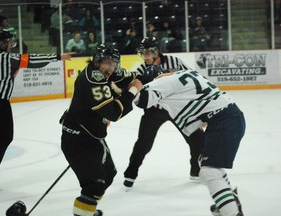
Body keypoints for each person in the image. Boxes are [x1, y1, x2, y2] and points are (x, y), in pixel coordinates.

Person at [133, 69, 246, 216]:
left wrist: (134, 88)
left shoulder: (163, 82)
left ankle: (232, 212)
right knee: (206, 164)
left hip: (223, 120)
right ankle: (230, 199)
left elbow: (143, 101)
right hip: (227, 115)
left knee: (208, 172)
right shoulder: (186, 73)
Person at [59, 44, 142, 216]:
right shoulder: (93, 78)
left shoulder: (106, 72)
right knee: (95, 184)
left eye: (113, 63)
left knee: (108, 175)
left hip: (91, 136)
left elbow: (128, 75)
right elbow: (113, 113)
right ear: (97, 61)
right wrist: (133, 90)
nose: (109, 67)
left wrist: (151, 75)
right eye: (106, 62)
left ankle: (86, 211)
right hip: (78, 140)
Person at [0, 27, 71, 188]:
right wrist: (57, 57)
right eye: (8, 42)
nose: (10, 45)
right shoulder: (7, 58)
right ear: (0, 43)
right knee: (4, 137)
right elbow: (32, 61)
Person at [123, 36, 204, 189]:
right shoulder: (141, 69)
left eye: (147, 53)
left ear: (156, 51)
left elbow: (194, 78)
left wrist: (198, 111)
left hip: (178, 109)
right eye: (143, 53)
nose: (145, 57)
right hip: (154, 110)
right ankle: (130, 173)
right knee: (143, 144)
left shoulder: (174, 61)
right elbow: (138, 93)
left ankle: (196, 171)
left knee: (198, 138)